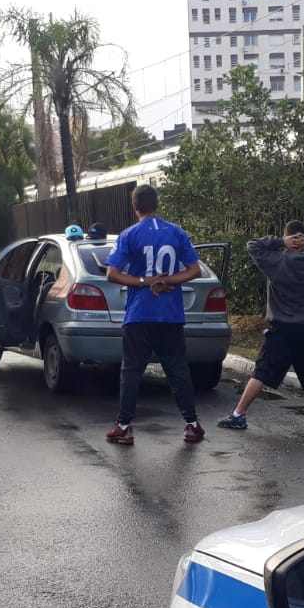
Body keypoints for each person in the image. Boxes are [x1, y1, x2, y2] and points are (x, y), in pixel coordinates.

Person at [217, 220, 304, 431]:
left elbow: (253, 245)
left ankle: (238, 415)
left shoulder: (275, 262)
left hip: (281, 330)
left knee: (262, 373)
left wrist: (281, 242)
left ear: (287, 239)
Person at [102, 185, 206, 446]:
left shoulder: (129, 235)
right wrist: (167, 280)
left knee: (132, 371)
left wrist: (145, 281)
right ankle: (192, 424)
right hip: (170, 314)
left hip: (139, 314)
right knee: (177, 369)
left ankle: (124, 426)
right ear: (157, 204)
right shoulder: (177, 232)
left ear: (134, 207)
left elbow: (112, 274)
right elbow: (194, 270)